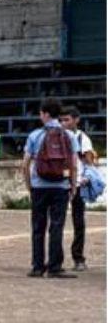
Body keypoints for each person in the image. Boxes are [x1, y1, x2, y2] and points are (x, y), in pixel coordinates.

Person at [23, 98, 80, 278]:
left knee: (38, 227)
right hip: (60, 186)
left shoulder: (35, 135)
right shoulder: (69, 135)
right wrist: (73, 185)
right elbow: (73, 164)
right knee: (57, 226)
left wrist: (29, 185)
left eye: (41, 113)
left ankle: (38, 266)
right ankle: (55, 267)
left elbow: (25, 163)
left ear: (46, 114)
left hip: (39, 186)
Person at [60, 106, 97, 272]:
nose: (63, 123)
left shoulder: (83, 138)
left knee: (78, 221)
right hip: (59, 182)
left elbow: (89, 162)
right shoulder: (57, 136)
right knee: (56, 222)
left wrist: (85, 178)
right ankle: (56, 258)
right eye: (61, 120)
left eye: (67, 119)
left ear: (76, 120)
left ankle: (78, 257)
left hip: (77, 183)